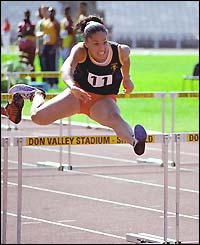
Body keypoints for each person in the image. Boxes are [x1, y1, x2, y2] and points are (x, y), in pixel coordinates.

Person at [8, 15, 147, 155]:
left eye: (104, 42)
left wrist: (127, 78)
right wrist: (72, 86)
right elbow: (66, 68)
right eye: (96, 44)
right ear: (86, 43)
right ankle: (36, 94)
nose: (102, 48)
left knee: (114, 118)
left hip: (102, 101)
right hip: (77, 95)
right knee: (37, 117)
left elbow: (126, 59)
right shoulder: (80, 51)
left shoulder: (120, 51)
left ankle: (135, 142)